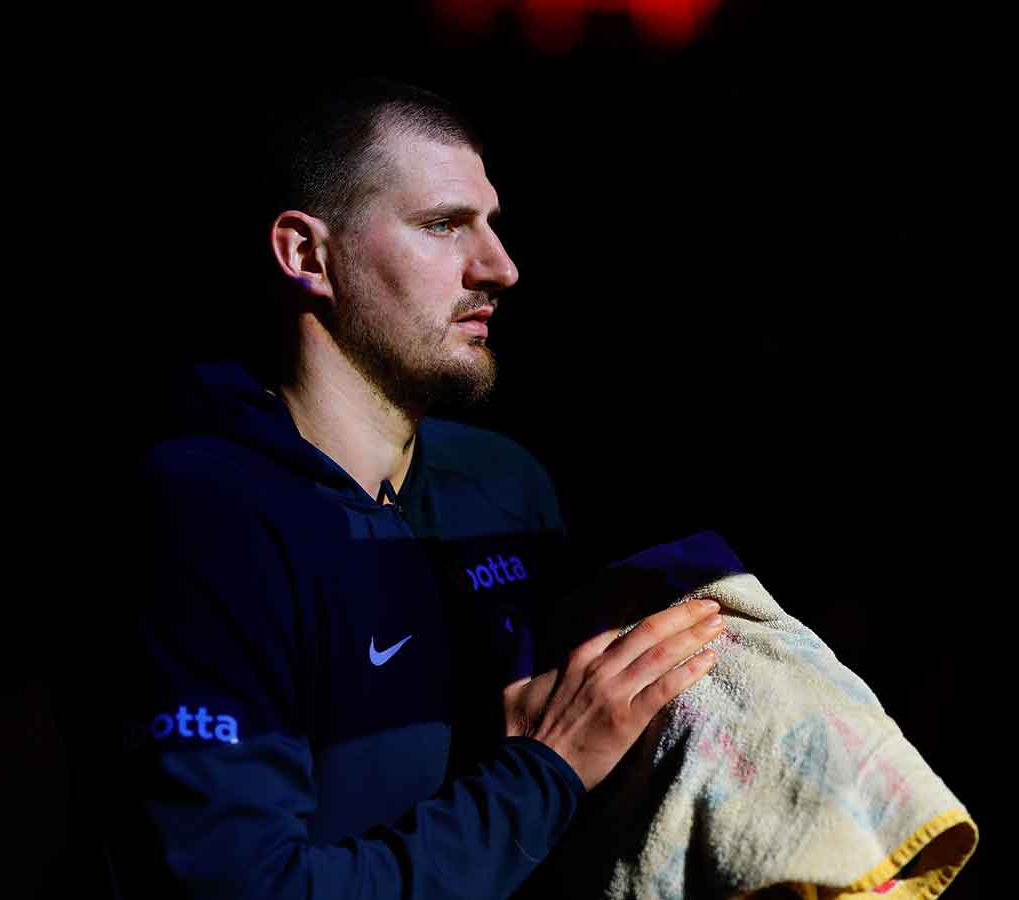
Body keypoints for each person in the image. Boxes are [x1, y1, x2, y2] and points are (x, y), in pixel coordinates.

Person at [101, 78, 726, 899]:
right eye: (442, 226)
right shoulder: (209, 513)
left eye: (493, 226)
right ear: (306, 256)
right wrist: (543, 774)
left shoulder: (504, 485)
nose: (499, 268)